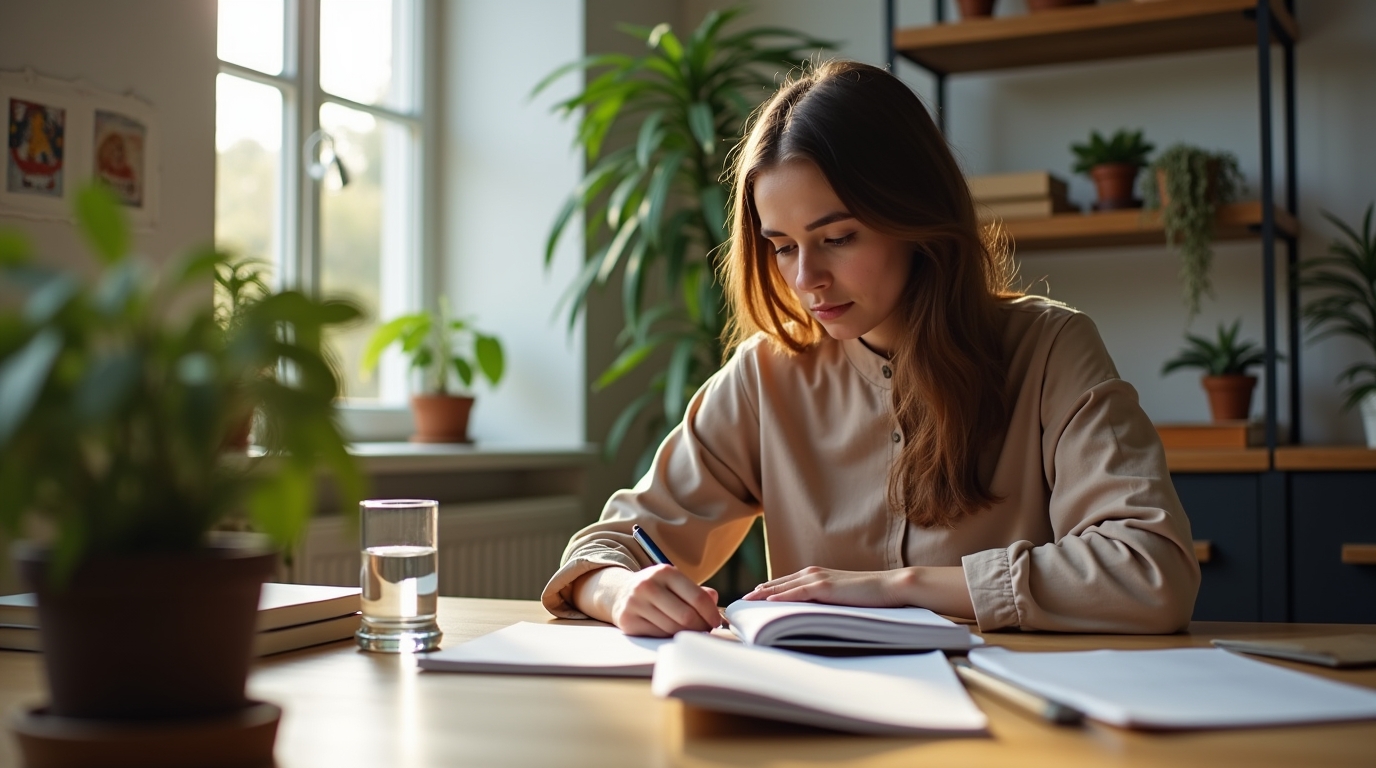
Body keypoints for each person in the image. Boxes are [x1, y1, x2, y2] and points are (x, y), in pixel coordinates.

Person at [541, 60, 1200, 637]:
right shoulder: (765, 377)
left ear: (915, 216)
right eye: (782, 245)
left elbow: (1151, 568)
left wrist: (897, 587)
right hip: (819, 722)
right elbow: (611, 543)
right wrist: (619, 590)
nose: (806, 281)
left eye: (839, 237)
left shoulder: (1051, 349)